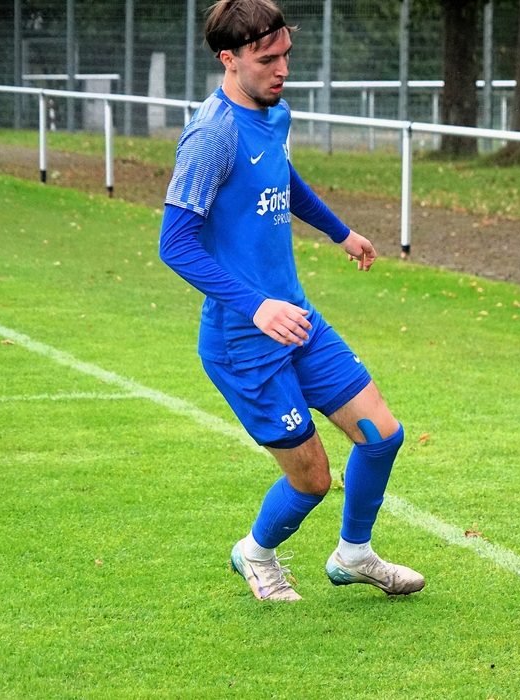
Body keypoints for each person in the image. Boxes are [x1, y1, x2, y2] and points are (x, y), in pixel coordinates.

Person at [159, 0, 423, 602]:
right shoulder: (212, 134)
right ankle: (255, 553)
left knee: (382, 435)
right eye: (266, 59)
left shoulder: (274, 113)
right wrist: (256, 306)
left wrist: (340, 232)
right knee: (311, 481)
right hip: (243, 341)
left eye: (285, 56)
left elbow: (282, 177)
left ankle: (353, 555)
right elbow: (174, 245)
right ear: (228, 59)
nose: (281, 70)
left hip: (295, 318)